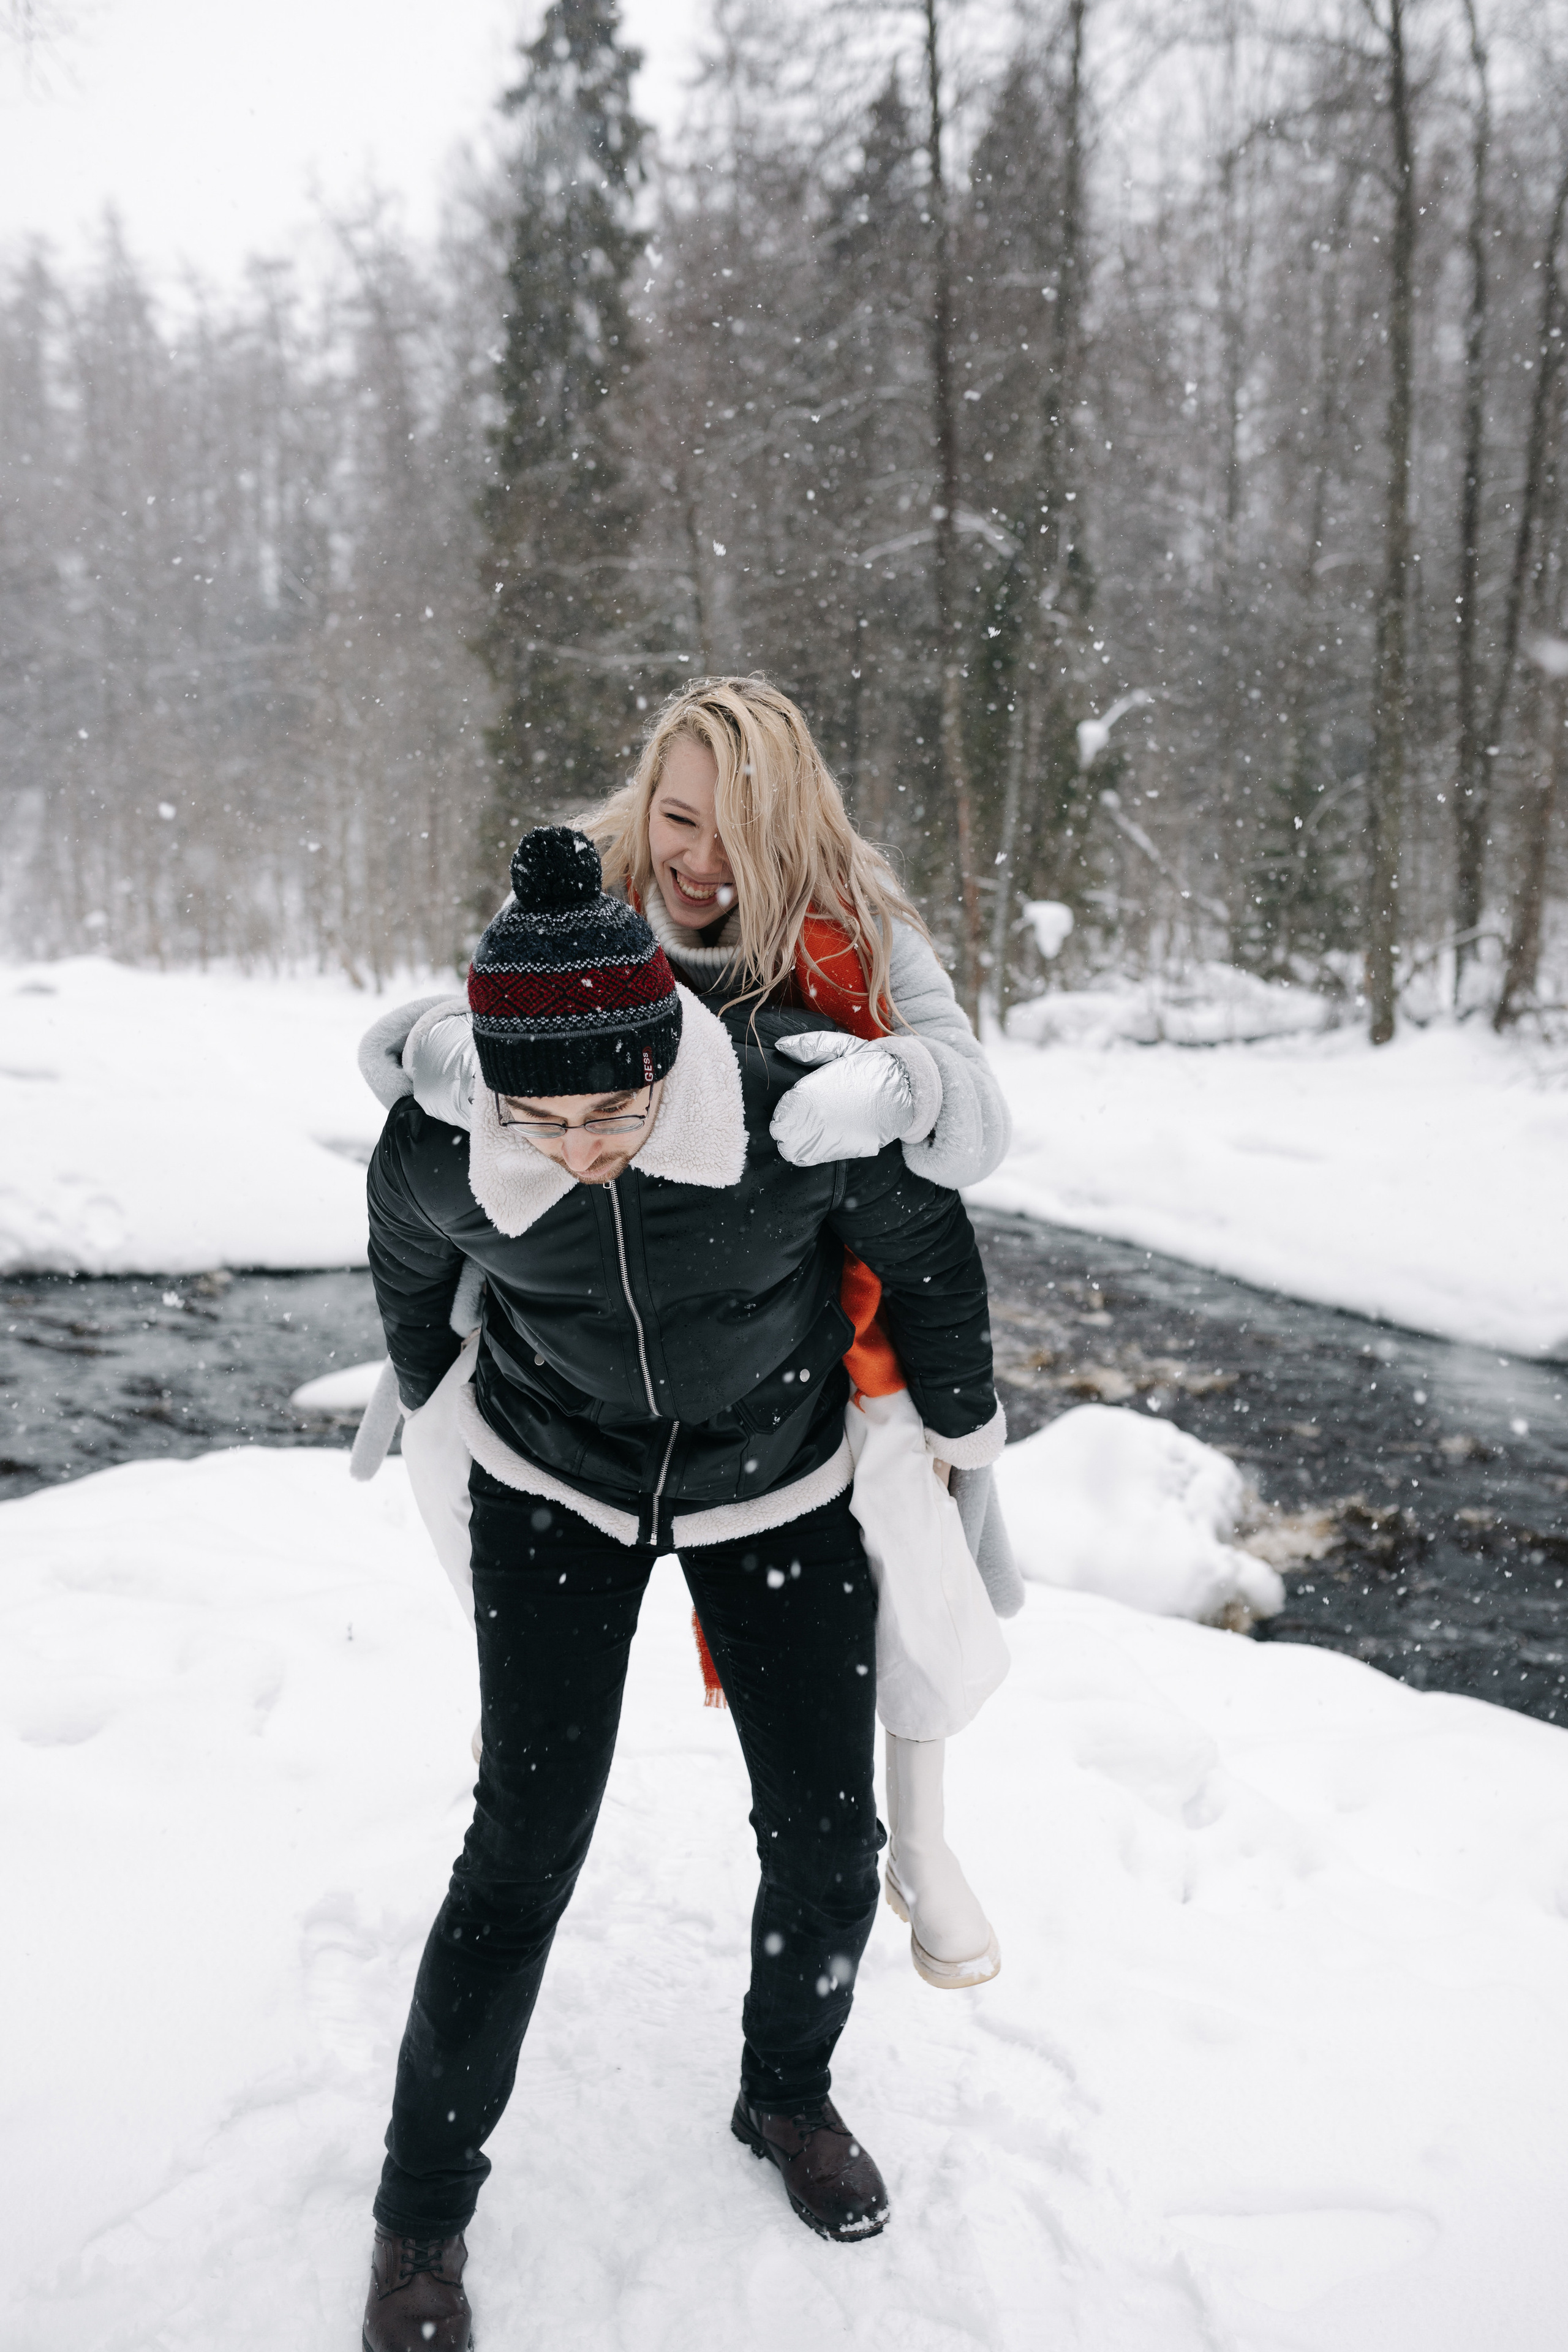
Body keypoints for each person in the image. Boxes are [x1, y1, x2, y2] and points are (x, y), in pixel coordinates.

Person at [360, 823, 1004, 2351]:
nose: (583, 1147)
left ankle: (785, 2093)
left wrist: (965, 1431)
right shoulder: (447, 1147)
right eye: (547, 1119)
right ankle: (418, 2214)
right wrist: (423, 1381)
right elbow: (401, 1263)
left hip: (768, 1485)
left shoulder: (790, 1108)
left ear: (670, 1051)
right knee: (518, 1854)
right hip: (551, 1490)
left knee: (828, 1836)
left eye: (618, 1108)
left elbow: (926, 1249)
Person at [357, 675, 1023, 2000]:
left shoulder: (860, 927)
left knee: (911, 1537)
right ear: (642, 798)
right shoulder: (588, 894)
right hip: (589, 1309)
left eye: (742, 837)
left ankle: (922, 1836)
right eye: (679, 819)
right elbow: (442, 1047)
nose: (703, 862)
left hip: (803, 1299)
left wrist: (904, 1080)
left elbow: (974, 1125)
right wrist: (443, 1051)